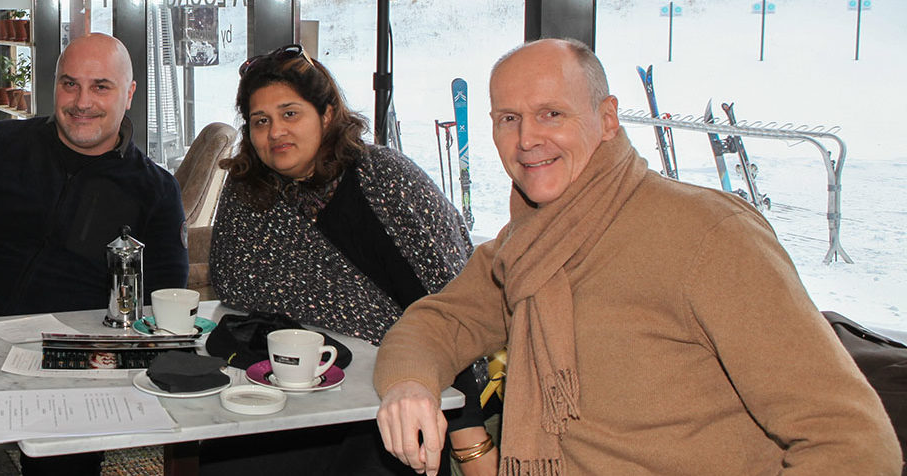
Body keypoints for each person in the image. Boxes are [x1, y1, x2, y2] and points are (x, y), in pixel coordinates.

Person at [373, 38, 902, 475]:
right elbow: (438, 323)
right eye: (508, 118)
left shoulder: (710, 236)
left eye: (551, 113)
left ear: (607, 119)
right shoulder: (527, 243)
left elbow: (851, 442)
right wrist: (409, 385)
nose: (527, 138)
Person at [204, 44, 497, 475]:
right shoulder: (247, 193)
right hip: (291, 383)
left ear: (326, 115)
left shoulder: (384, 178)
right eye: (260, 121)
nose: (275, 132)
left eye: (290, 114)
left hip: (397, 387)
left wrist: (467, 433)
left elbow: (450, 301)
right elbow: (233, 285)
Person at [0, 33, 190, 475]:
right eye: (69, 84)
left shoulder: (154, 190)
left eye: (101, 86)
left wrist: (108, 366)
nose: (82, 102)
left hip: (69, 374)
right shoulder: (0, 145)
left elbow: (164, 301)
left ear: (129, 93)